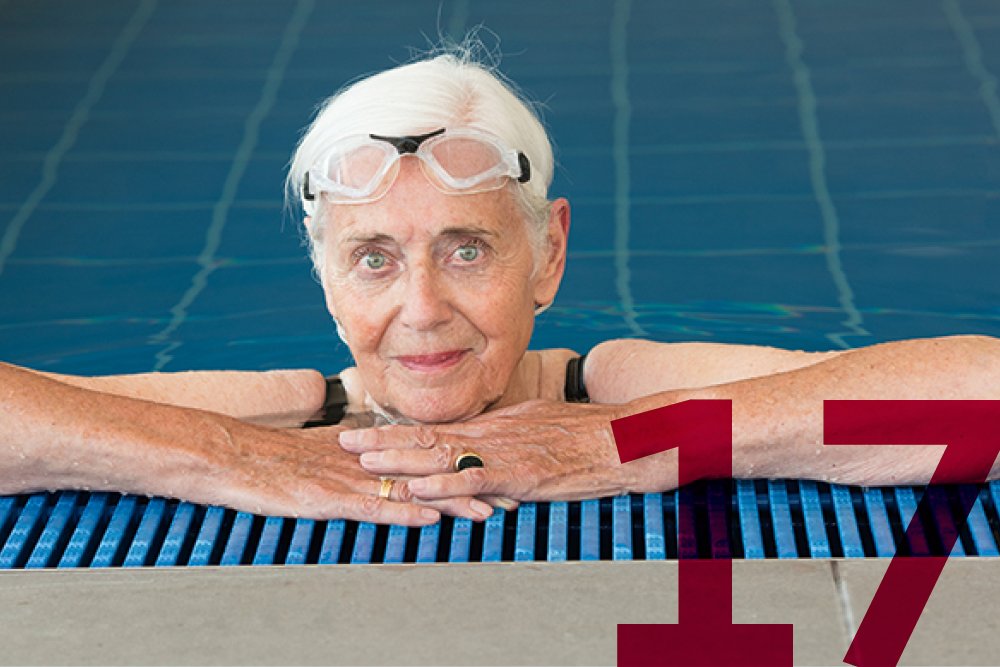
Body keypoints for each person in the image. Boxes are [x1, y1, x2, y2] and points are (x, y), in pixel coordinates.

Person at [2, 50, 999, 526]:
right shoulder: (274, 411)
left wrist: (639, 437)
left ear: (549, 255)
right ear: (324, 277)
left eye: (468, 249)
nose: (423, 308)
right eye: (374, 258)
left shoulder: (624, 386)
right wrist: (220, 455)